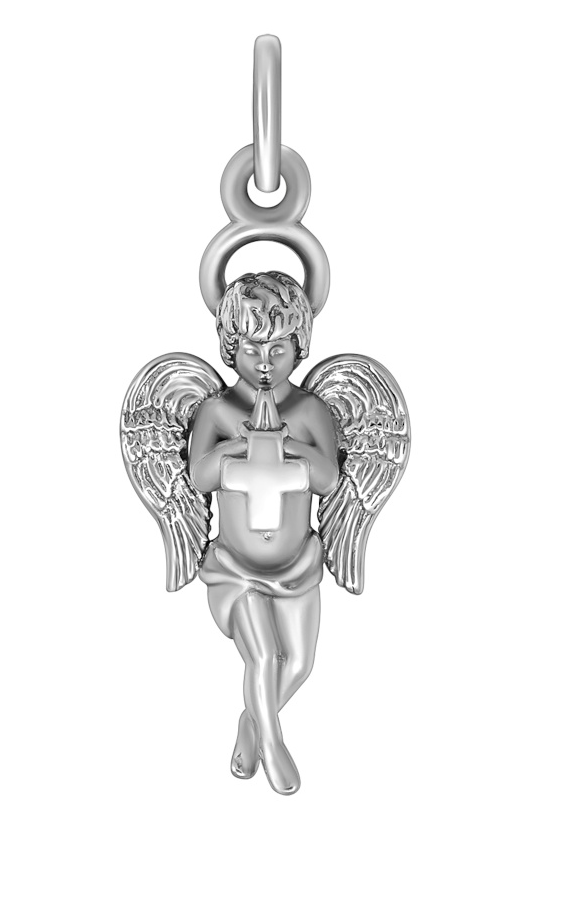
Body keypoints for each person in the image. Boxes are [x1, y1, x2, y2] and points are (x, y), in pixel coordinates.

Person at [188, 271, 340, 794]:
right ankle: (273, 745)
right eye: (252, 349)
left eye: (278, 349)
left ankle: (251, 723)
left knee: (297, 663)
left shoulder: (310, 411)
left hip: (298, 568)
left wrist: (289, 445)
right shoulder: (218, 411)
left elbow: (329, 479)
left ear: (299, 347)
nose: (265, 363)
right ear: (231, 347)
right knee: (262, 656)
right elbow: (198, 476)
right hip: (235, 568)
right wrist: (239, 444)